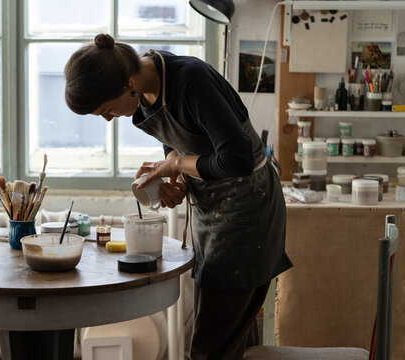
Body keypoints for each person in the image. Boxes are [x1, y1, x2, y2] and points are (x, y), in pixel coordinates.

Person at [64, 33, 292, 360]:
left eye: (105, 109)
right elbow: (181, 141)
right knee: (231, 337)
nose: (107, 118)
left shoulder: (190, 80)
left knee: (209, 347)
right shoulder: (145, 87)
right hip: (212, 213)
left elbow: (237, 160)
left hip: (247, 213)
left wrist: (175, 163)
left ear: (126, 82)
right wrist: (176, 178)